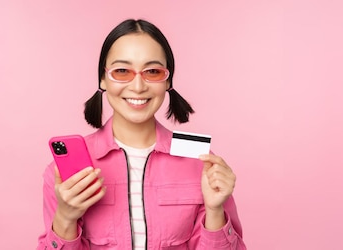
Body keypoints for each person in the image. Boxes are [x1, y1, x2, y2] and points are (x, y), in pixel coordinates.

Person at [37, 19, 247, 250]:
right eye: (122, 71)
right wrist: (66, 218)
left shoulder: (199, 158)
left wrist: (215, 211)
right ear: (103, 79)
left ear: (168, 80)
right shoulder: (63, 174)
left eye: (153, 71)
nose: (138, 86)